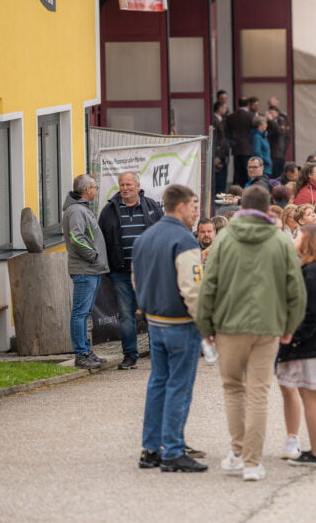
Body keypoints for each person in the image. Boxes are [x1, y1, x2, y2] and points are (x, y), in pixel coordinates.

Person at [196, 184, 307, 482]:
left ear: (242, 207)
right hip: (268, 326)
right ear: (268, 206)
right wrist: (288, 327)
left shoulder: (223, 240)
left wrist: (205, 328)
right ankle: (252, 463)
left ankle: (237, 451)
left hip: (229, 326)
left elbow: (209, 286)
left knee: (234, 388)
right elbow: (296, 290)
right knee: (259, 392)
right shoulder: (281, 240)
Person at [133, 184, 206, 473]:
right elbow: (192, 288)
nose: (197, 212)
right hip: (180, 323)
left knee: (158, 384)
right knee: (179, 387)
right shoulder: (185, 240)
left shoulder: (145, 237)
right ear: (181, 206)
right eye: (194, 206)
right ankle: (173, 450)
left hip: (154, 321)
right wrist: (205, 323)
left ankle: (151, 448)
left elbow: (136, 280)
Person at [275, 225, 316, 468]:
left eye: (298, 235)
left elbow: (313, 313)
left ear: (308, 241)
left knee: (311, 399)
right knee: (314, 399)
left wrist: (294, 337)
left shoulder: (312, 272)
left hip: (313, 346)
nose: (294, 239)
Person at [98, 171, 164, 370]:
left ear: (137, 185)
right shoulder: (109, 211)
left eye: (128, 184)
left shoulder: (152, 207)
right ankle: (130, 356)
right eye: (122, 185)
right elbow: (102, 241)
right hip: (121, 272)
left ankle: (156, 353)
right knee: (126, 315)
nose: (125, 188)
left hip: (148, 271)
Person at [63, 174, 109, 370]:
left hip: (92, 269)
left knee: (84, 312)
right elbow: (76, 237)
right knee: (80, 313)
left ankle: (86, 351)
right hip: (85, 269)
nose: (96, 191)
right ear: (87, 189)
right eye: (95, 187)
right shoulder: (76, 211)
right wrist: (93, 256)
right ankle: (81, 354)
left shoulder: (82, 209)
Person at [228, 97, 255, 187]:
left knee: (238, 172)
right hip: (248, 148)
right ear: (248, 104)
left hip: (236, 148)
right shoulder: (251, 116)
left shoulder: (232, 116)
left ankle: (236, 191)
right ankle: (248, 191)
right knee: (248, 172)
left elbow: (228, 133)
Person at [266, 101, 290, 176]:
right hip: (271, 150)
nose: (270, 115)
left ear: (277, 113)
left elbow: (279, 132)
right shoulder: (269, 122)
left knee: (277, 172)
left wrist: (271, 120)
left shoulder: (281, 120)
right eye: (269, 113)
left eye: (272, 113)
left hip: (278, 151)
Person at [211, 101, 230, 196]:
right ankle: (218, 196)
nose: (226, 110)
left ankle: (221, 195)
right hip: (218, 153)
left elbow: (225, 139)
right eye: (224, 107)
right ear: (220, 108)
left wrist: (227, 154)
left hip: (223, 152)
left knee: (223, 177)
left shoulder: (223, 119)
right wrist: (216, 155)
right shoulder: (214, 120)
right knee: (218, 177)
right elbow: (214, 139)